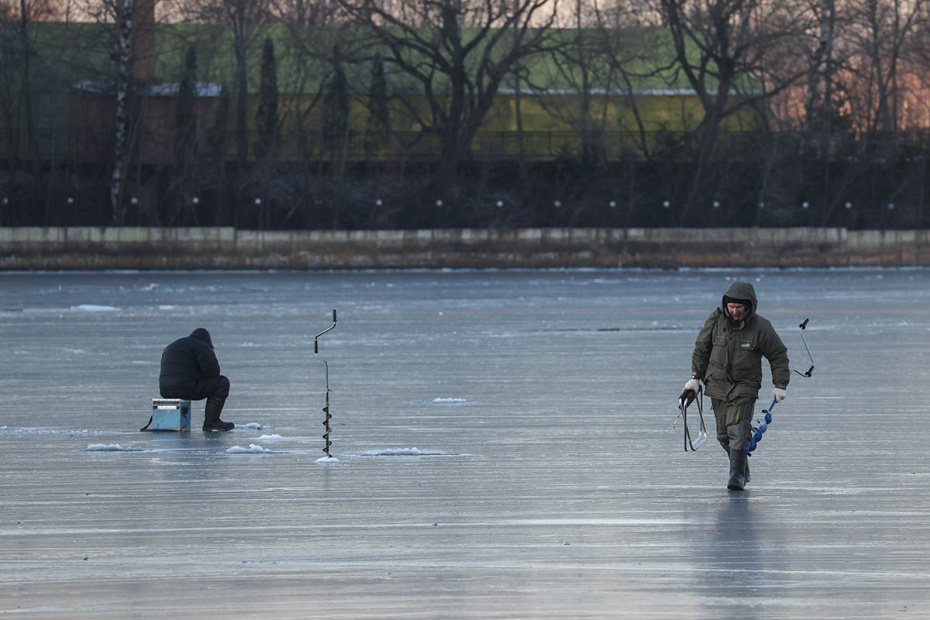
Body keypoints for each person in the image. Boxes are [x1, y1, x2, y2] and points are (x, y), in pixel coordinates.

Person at [683, 281, 789, 490]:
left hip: (745, 386)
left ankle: (736, 477)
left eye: (739, 307)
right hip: (717, 385)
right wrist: (695, 379)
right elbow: (701, 349)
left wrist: (780, 384)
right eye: (731, 307)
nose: (734, 311)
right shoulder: (715, 321)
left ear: (748, 306)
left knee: (738, 431)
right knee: (724, 435)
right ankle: (742, 470)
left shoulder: (761, 327)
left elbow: (778, 355)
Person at [159, 328, 235, 432]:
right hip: (186, 388)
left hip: (165, 391)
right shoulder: (202, 346)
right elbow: (213, 372)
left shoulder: (171, 346)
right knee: (222, 383)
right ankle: (211, 422)